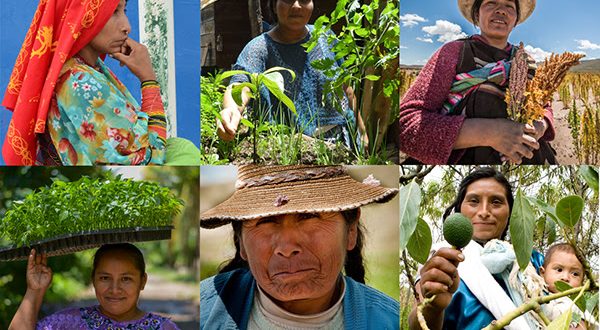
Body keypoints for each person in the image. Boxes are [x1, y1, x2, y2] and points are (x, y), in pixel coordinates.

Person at [200, 165, 399, 329]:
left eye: (309, 216)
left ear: (351, 230)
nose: (287, 247)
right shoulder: (198, 312)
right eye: (266, 221)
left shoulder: (389, 321)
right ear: (241, 240)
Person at [2, 0, 167, 165]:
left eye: (124, 10)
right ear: (83, 17)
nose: (127, 26)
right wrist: (149, 80)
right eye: (113, 12)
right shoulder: (81, 83)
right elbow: (150, 162)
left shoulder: (83, 68)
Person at [399, 0, 557, 165]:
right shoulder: (453, 52)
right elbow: (406, 125)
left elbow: (544, 106)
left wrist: (540, 127)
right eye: (491, 3)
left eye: (509, 6)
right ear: (476, 14)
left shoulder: (525, 60)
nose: (501, 10)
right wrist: (491, 133)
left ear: (516, 19)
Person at [216, 0, 366, 148]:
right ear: (274, 5)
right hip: (294, 149)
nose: (296, 5)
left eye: (304, 0)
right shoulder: (260, 48)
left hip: (344, 140)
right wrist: (231, 110)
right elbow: (241, 83)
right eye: (288, 0)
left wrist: (363, 131)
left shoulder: (325, 36)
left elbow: (346, 87)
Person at [409, 167, 546, 330]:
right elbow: (416, 324)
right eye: (474, 201)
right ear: (460, 208)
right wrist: (433, 307)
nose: (484, 212)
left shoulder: (532, 261)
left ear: (511, 212)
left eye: (496, 202)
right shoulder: (441, 259)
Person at [9, 244, 179, 330]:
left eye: (126, 279)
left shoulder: (162, 328)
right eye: (105, 278)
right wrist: (35, 290)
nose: (114, 289)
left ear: (142, 281)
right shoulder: (69, 323)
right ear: (93, 279)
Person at [540, 243, 588, 329]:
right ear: (542, 273)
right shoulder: (537, 289)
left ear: (581, 284)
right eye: (559, 270)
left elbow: (583, 326)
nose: (565, 278)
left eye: (575, 274)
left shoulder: (574, 304)